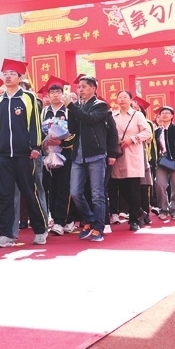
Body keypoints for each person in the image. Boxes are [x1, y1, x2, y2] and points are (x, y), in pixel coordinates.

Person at [0, 59, 47, 248]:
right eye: (5, 74)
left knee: (29, 192)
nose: (8, 77)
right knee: (5, 195)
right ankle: (6, 235)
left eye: (12, 74)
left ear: (20, 78)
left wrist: (36, 147)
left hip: (24, 154)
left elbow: (35, 124)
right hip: (3, 155)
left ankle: (40, 230)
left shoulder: (28, 98)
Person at [65, 76, 116, 243]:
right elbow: (72, 129)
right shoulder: (77, 106)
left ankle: (98, 228)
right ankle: (88, 219)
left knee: (97, 194)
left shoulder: (100, 105)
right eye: (79, 87)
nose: (80, 89)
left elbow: (90, 119)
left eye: (84, 86)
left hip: (96, 154)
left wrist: (72, 106)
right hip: (78, 155)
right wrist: (70, 110)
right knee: (75, 192)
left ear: (93, 89)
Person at [110, 90, 151, 232]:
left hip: (133, 154)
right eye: (120, 97)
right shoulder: (112, 115)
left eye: (125, 97)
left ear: (131, 100)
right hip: (118, 155)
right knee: (122, 188)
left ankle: (134, 220)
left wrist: (132, 139)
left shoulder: (137, 115)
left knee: (134, 189)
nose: (122, 99)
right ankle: (139, 211)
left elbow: (147, 132)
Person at [40, 76, 75, 235]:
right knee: (51, 187)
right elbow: (39, 130)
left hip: (65, 153)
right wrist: (44, 142)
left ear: (62, 94)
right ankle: (55, 218)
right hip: (48, 154)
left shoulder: (68, 110)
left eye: (58, 92)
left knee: (64, 186)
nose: (55, 95)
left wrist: (62, 142)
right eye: (52, 92)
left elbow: (75, 132)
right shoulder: (44, 111)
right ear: (48, 95)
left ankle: (62, 220)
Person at [152, 106, 175, 222]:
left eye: (168, 113)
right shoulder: (157, 131)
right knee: (160, 184)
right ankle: (163, 209)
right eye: (162, 113)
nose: (165, 115)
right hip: (162, 160)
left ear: (172, 116)